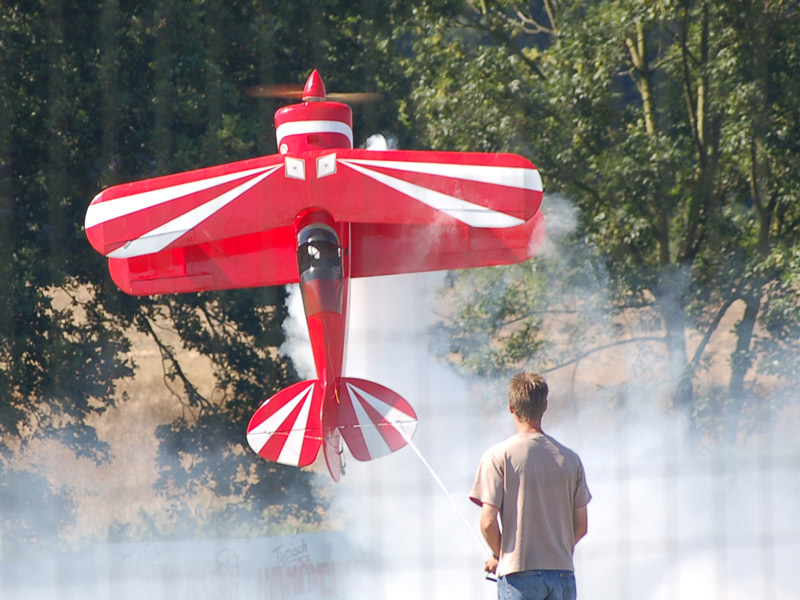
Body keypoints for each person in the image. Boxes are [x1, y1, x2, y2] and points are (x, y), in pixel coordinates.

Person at [470, 372, 591, 600]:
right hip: (563, 574)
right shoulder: (570, 459)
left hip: (519, 575)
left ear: (511, 408)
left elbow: (487, 521)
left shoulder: (498, 456)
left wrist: (501, 555)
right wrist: (557, 550)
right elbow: (581, 526)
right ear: (545, 406)